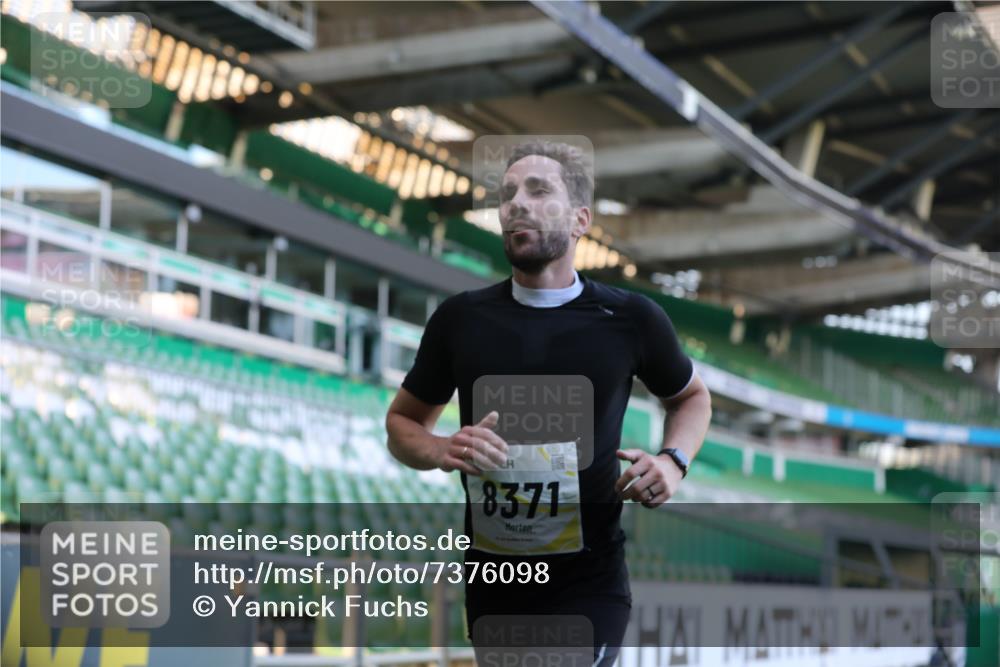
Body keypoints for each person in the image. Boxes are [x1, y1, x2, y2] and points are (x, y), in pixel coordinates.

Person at [385, 140, 712, 665]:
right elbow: (402, 422)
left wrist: (673, 462)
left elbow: (692, 398)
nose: (518, 202)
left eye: (539, 190)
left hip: (589, 580)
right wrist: (441, 448)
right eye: (508, 193)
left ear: (580, 219)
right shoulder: (459, 320)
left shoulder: (632, 319)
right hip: (494, 580)